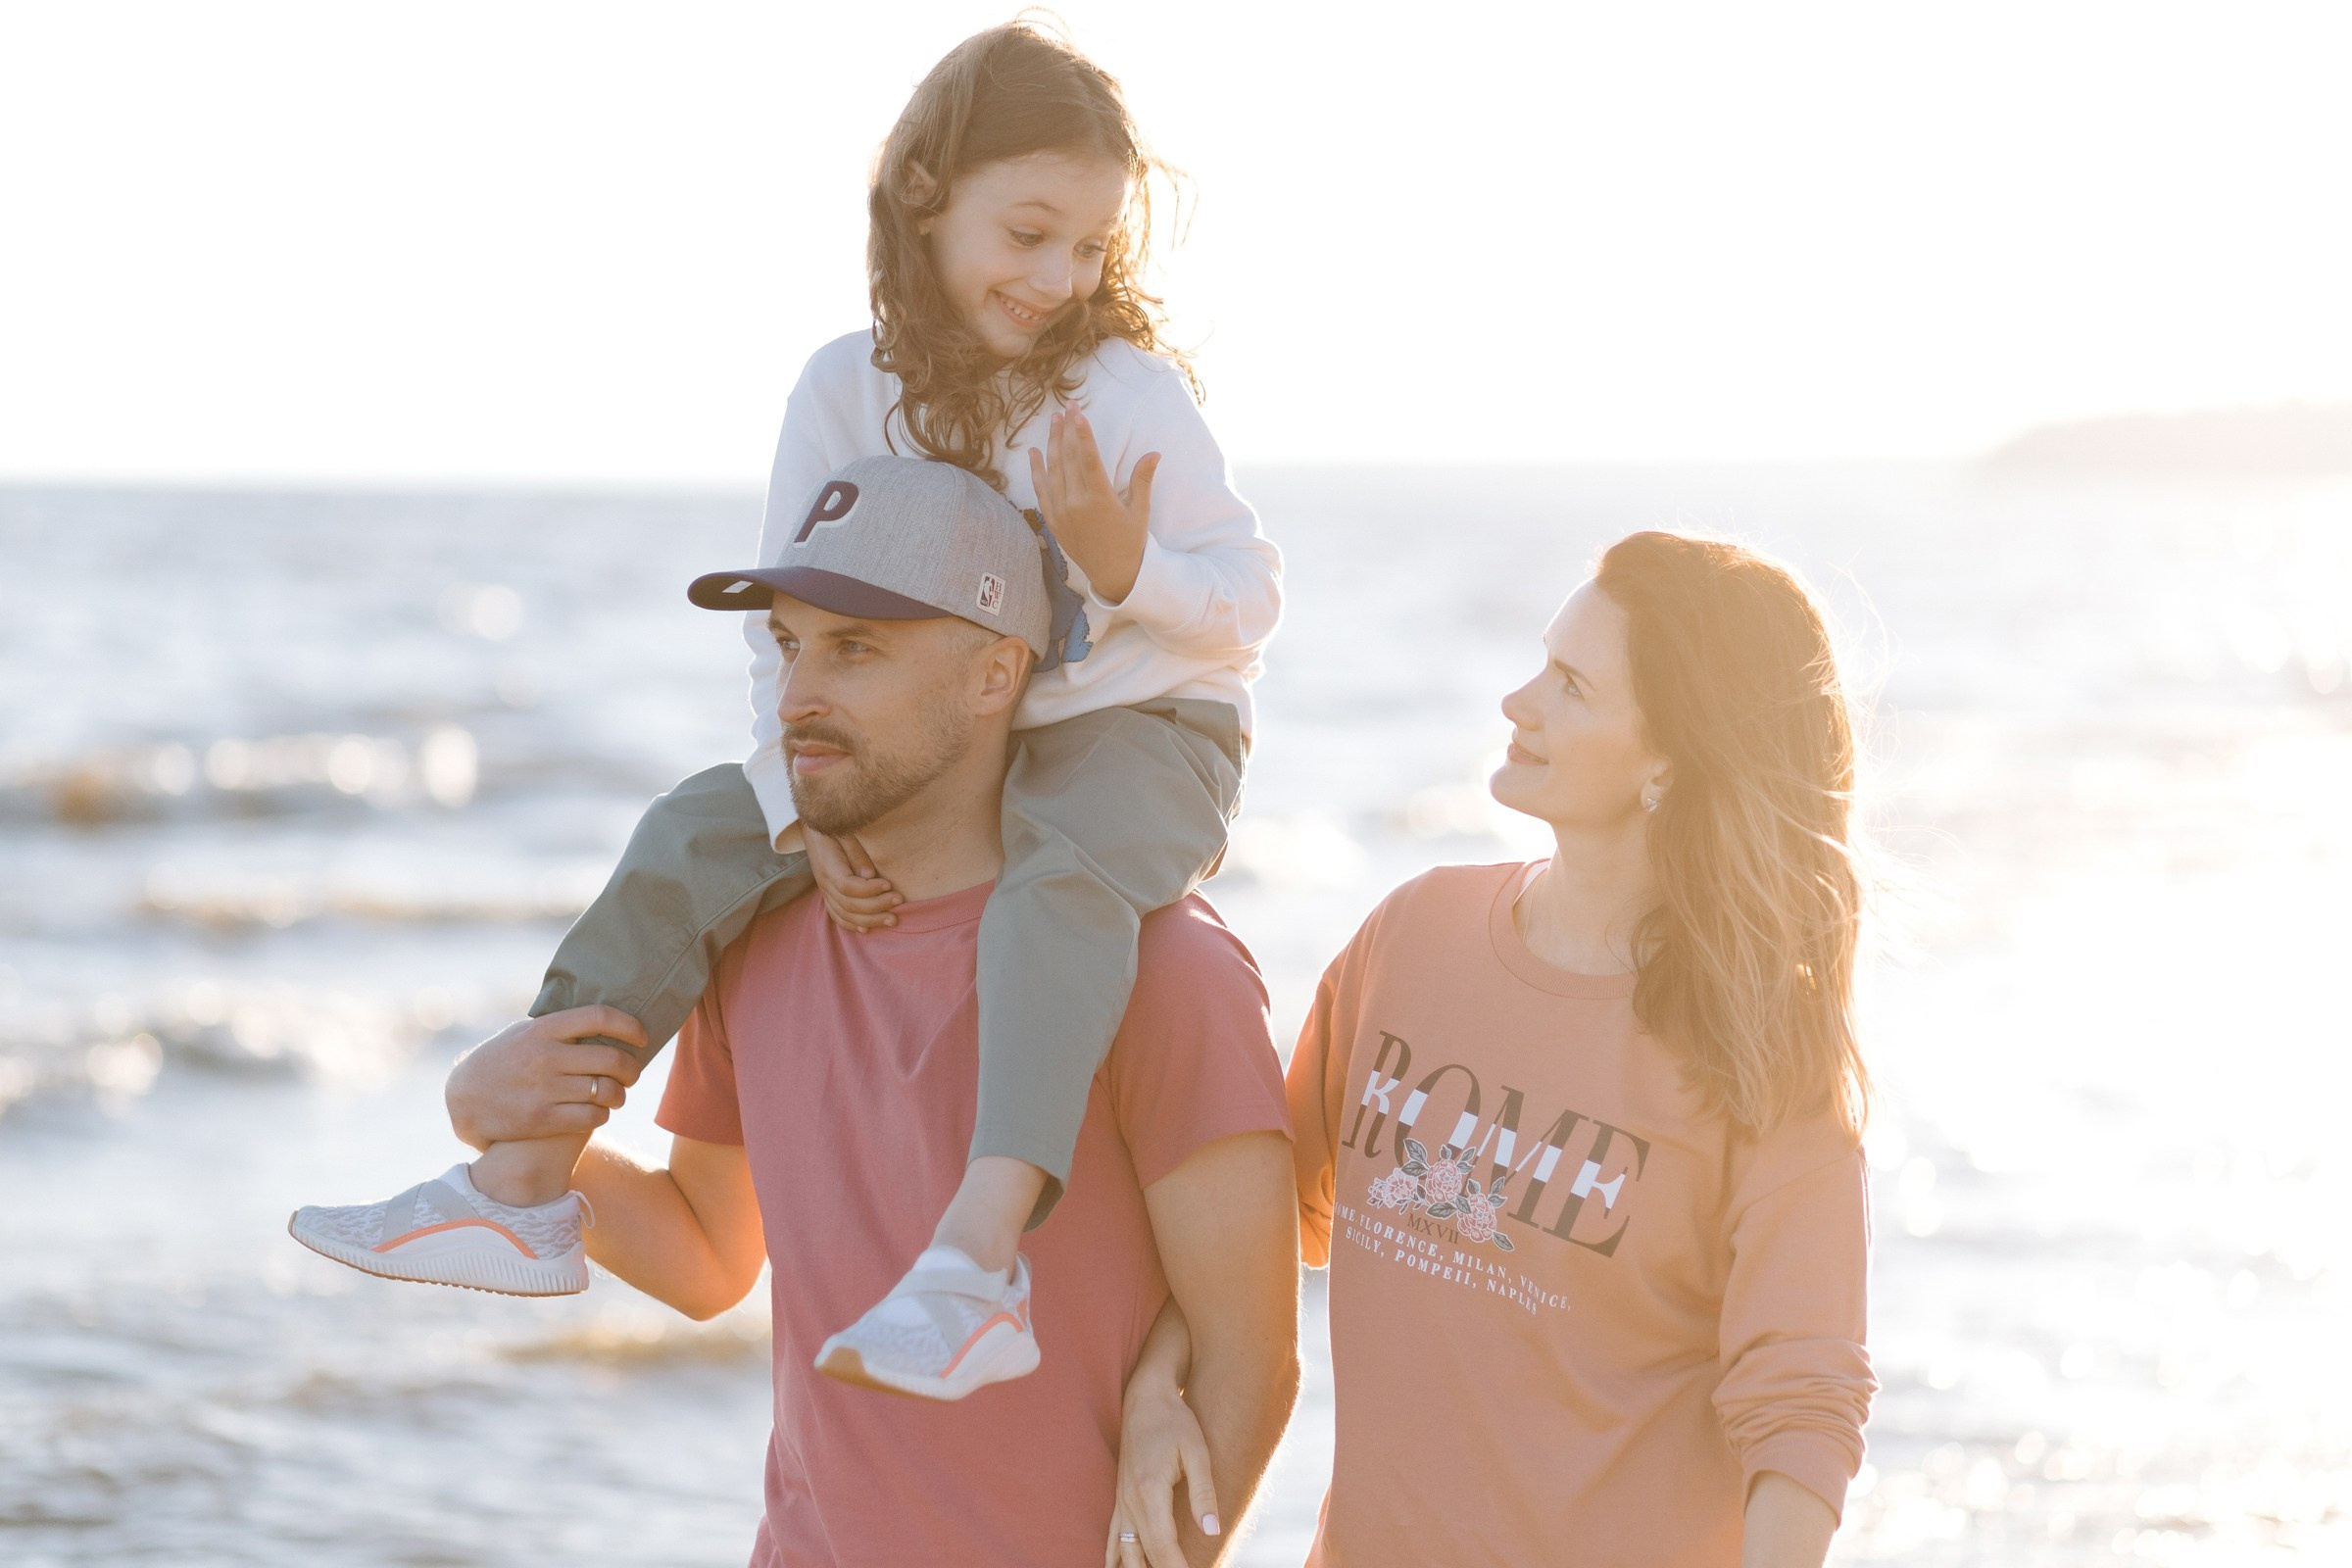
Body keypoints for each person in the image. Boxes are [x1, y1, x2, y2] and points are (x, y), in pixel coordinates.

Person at [289, 20, 1281, 1402]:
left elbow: (1248, 599)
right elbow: (788, 624)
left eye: (1088, 249)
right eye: (1029, 233)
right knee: (694, 830)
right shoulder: (844, 387)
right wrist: (793, 803)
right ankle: (521, 1179)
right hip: (955, 739)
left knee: (1059, 888)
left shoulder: (1120, 392)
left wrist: (1126, 567)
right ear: (927, 197)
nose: (1057, 278)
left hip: (1141, 723)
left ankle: (980, 1259)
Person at [442, 457, 1300, 1565]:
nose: (799, 693)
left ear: (997, 673)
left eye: (856, 648)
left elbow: (1253, 1357)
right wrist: (499, 1127)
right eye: (791, 644)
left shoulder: (1167, 966)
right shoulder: (757, 936)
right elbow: (708, 1254)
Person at [1109, 532, 1877, 1568]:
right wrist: (1157, 1386)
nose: (1519, 701)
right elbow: (1251, 1222)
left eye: (1571, 686)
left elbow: (1802, 1409)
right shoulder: (1412, 939)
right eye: (1540, 663)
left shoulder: (1763, 1059)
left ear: (1670, 759)